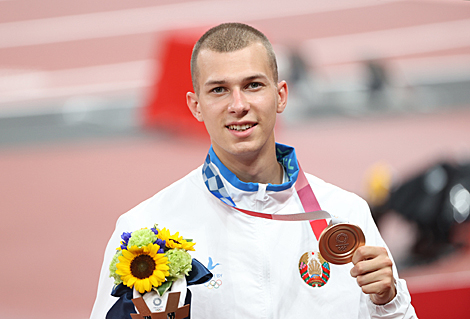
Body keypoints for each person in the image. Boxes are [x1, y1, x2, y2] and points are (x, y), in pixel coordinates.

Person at [90, 22, 417, 318]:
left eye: (253, 85)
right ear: (196, 106)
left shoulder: (345, 213)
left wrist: (387, 302)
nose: (238, 105)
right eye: (219, 90)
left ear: (280, 95)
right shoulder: (146, 228)